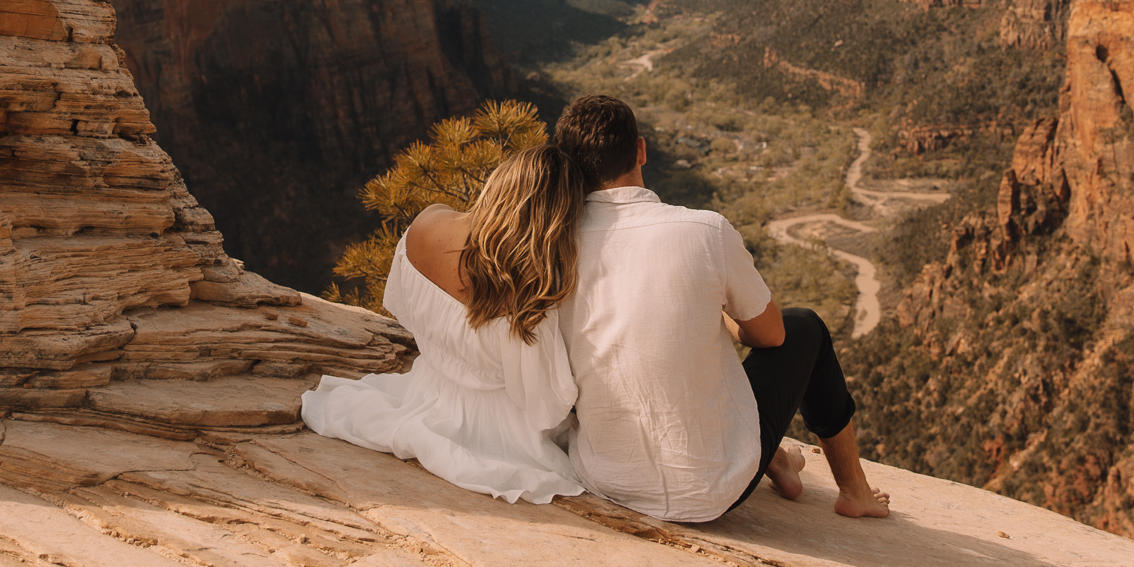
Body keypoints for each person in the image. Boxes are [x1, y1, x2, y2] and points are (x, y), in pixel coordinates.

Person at [553, 94, 891, 523]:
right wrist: (717, 311)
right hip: (712, 490)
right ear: (640, 150)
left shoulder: (552, 247)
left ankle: (780, 461)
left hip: (603, 477)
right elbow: (772, 337)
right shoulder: (704, 229)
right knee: (805, 326)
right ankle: (855, 493)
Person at [300, 144, 588, 504]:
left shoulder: (428, 224)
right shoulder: (531, 296)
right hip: (507, 436)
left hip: (424, 390)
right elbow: (545, 400)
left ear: (498, 181)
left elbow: (400, 303)